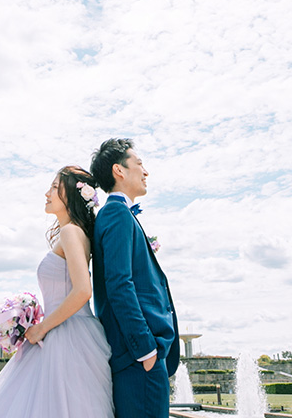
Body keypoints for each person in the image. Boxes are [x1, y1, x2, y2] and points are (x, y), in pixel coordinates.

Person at [0, 165, 114, 418]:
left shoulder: (71, 232)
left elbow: (83, 291)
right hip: (68, 330)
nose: (46, 193)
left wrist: (41, 327)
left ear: (70, 195)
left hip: (66, 335)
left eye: (54, 187)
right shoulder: (73, 233)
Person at [89, 138, 180, 418]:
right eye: (139, 163)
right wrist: (145, 350)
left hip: (139, 359)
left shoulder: (117, 213)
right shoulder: (116, 214)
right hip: (138, 358)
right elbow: (119, 285)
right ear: (119, 171)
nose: (145, 171)